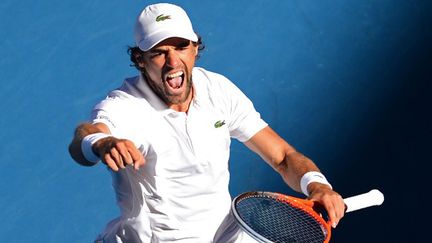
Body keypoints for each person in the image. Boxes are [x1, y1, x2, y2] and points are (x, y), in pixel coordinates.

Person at [68, 3, 345, 243]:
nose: (172, 61)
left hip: (225, 234)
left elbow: (283, 156)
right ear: (140, 60)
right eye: (159, 52)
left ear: (195, 48)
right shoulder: (125, 106)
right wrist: (102, 143)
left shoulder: (219, 91)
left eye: (181, 47)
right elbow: (84, 139)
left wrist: (316, 185)